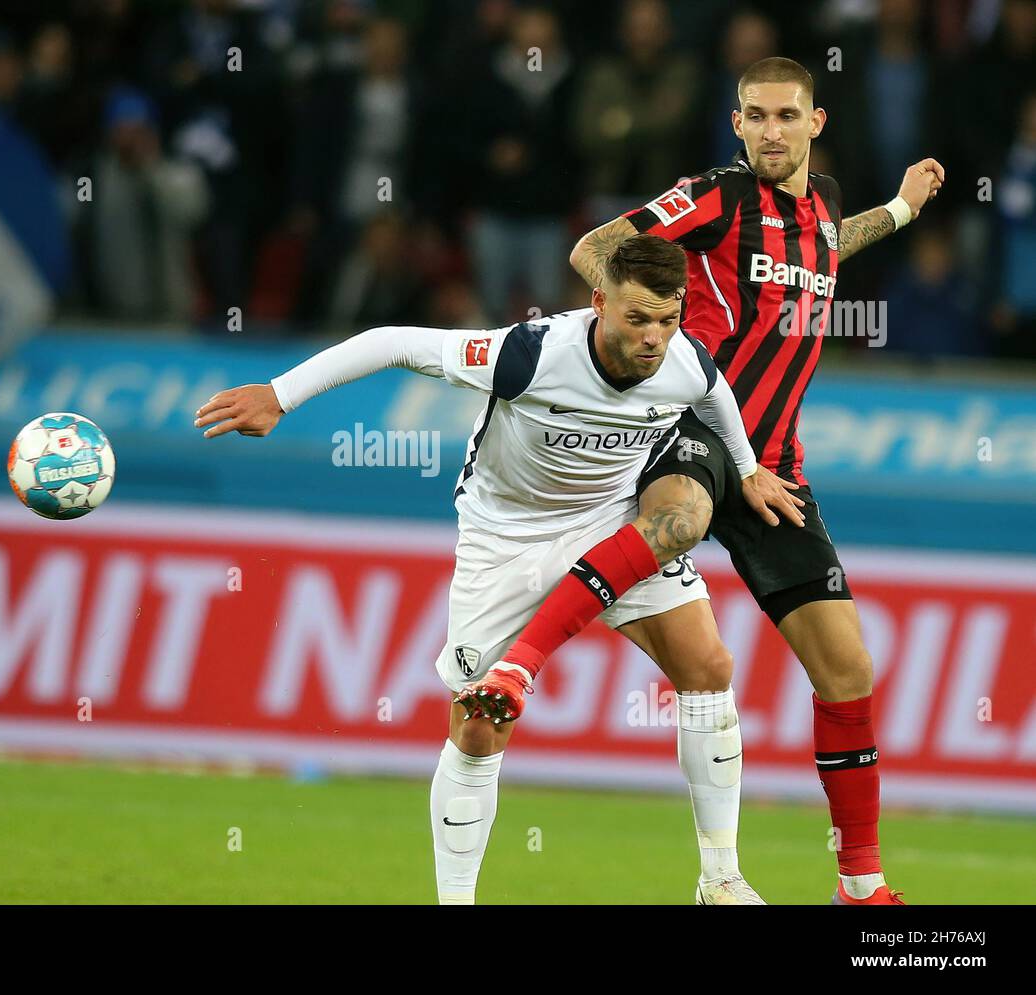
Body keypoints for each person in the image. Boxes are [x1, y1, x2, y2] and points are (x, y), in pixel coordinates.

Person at [464, 57, 944, 905]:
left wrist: (902, 209)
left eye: (785, 116)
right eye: (754, 116)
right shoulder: (717, 196)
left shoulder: (823, 205)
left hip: (776, 466)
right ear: (736, 123)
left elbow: (833, 244)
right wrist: (643, 327)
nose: (769, 131)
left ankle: (861, 886)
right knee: (678, 521)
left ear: (815, 122)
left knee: (848, 670)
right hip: (693, 431)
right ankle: (518, 671)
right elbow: (593, 248)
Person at [195, 234, 801, 904]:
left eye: (667, 319)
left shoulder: (684, 361)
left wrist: (747, 472)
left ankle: (719, 879)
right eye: (637, 318)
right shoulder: (530, 353)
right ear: (599, 302)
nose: (654, 337)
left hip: (610, 523)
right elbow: (394, 340)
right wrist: (281, 393)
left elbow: (715, 396)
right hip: (505, 539)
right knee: (480, 722)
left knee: (708, 667)